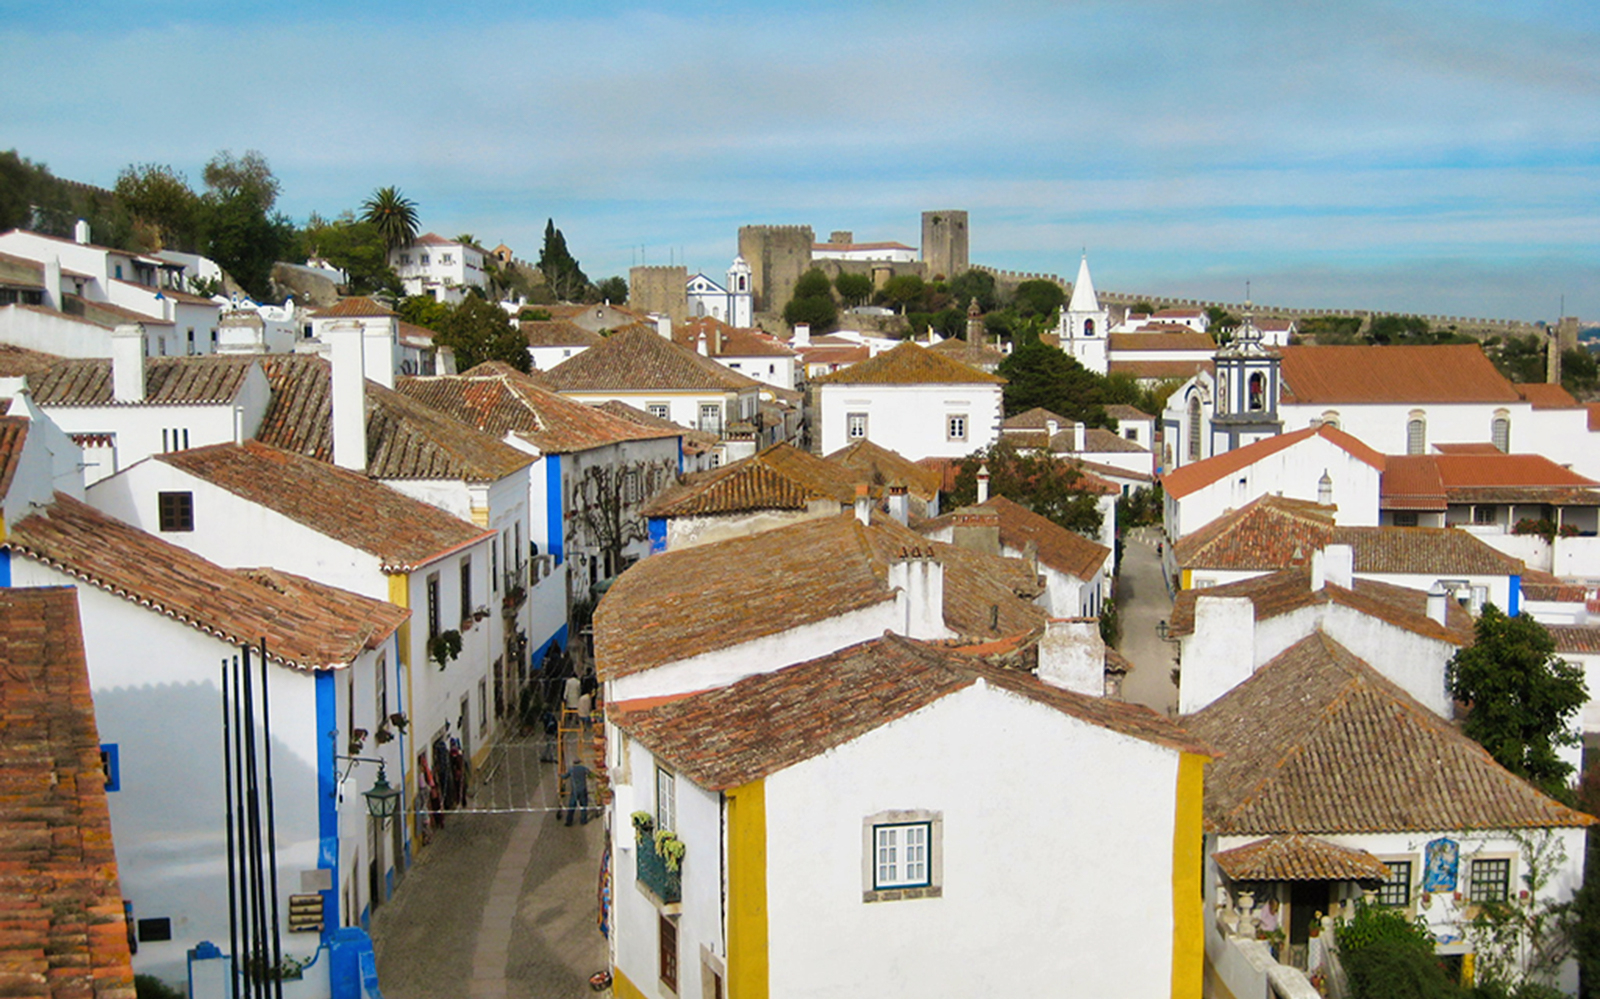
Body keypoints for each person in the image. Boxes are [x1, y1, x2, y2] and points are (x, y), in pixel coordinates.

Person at [561, 757, 591, 825]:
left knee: (572, 805)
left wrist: (560, 775)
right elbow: (590, 774)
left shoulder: (571, 769)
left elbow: (565, 776)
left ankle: (569, 821)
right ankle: (583, 821)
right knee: (583, 805)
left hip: (575, 790)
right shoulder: (583, 768)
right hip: (583, 789)